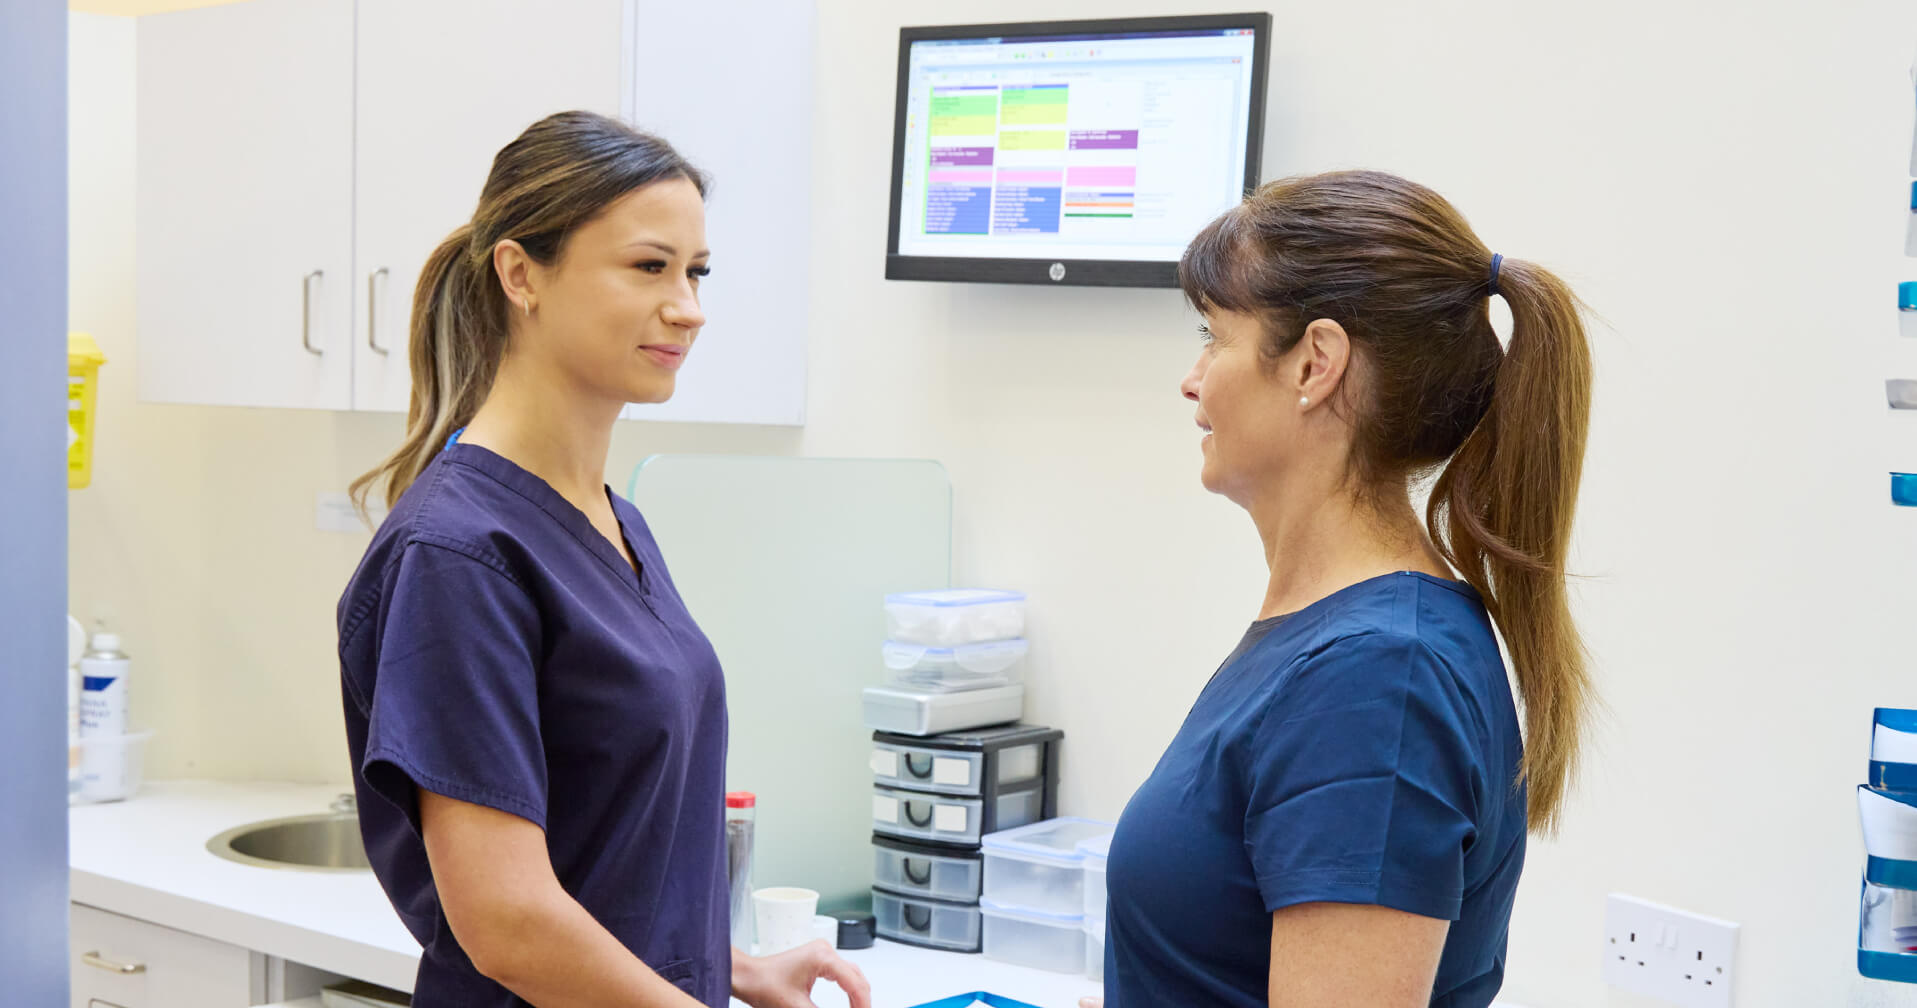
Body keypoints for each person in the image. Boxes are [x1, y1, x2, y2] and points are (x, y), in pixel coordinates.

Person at [336, 111, 871, 1008]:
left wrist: (732, 968)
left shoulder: (613, 520)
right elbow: (508, 922)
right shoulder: (462, 552)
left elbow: (612, 858)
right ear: (521, 274)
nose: (688, 307)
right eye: (649, 266)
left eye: (696, 272)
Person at [1097, 171, 1595, 1007]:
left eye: (1213, 336)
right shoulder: (1331, 639)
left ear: (1315, 363)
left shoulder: (1376, 677)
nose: (1193, 380)